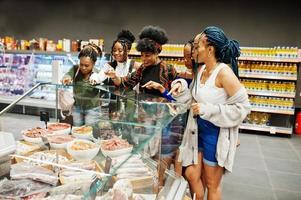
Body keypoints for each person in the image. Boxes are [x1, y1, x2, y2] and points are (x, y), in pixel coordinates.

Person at [169, 26, 251, 200]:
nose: (193, 51)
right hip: (197, 131)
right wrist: (181, 87)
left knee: (212, 185)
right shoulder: (201, 71)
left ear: (210, 49)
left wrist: (209, 109)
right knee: (191, 173)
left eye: (197, 46)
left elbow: (243, 107)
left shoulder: (224, 74)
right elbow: (193, 97)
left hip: (215, 134)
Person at [61, 46, 101, 132]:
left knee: (89, 131)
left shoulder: (98, 73)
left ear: (93, 64)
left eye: (86, 65)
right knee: (77, 130)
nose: (83, 67)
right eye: (81, 64)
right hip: (77, 107)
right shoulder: (75, 69)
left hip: (93, 109)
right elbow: (67, 75)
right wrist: (66, 78)